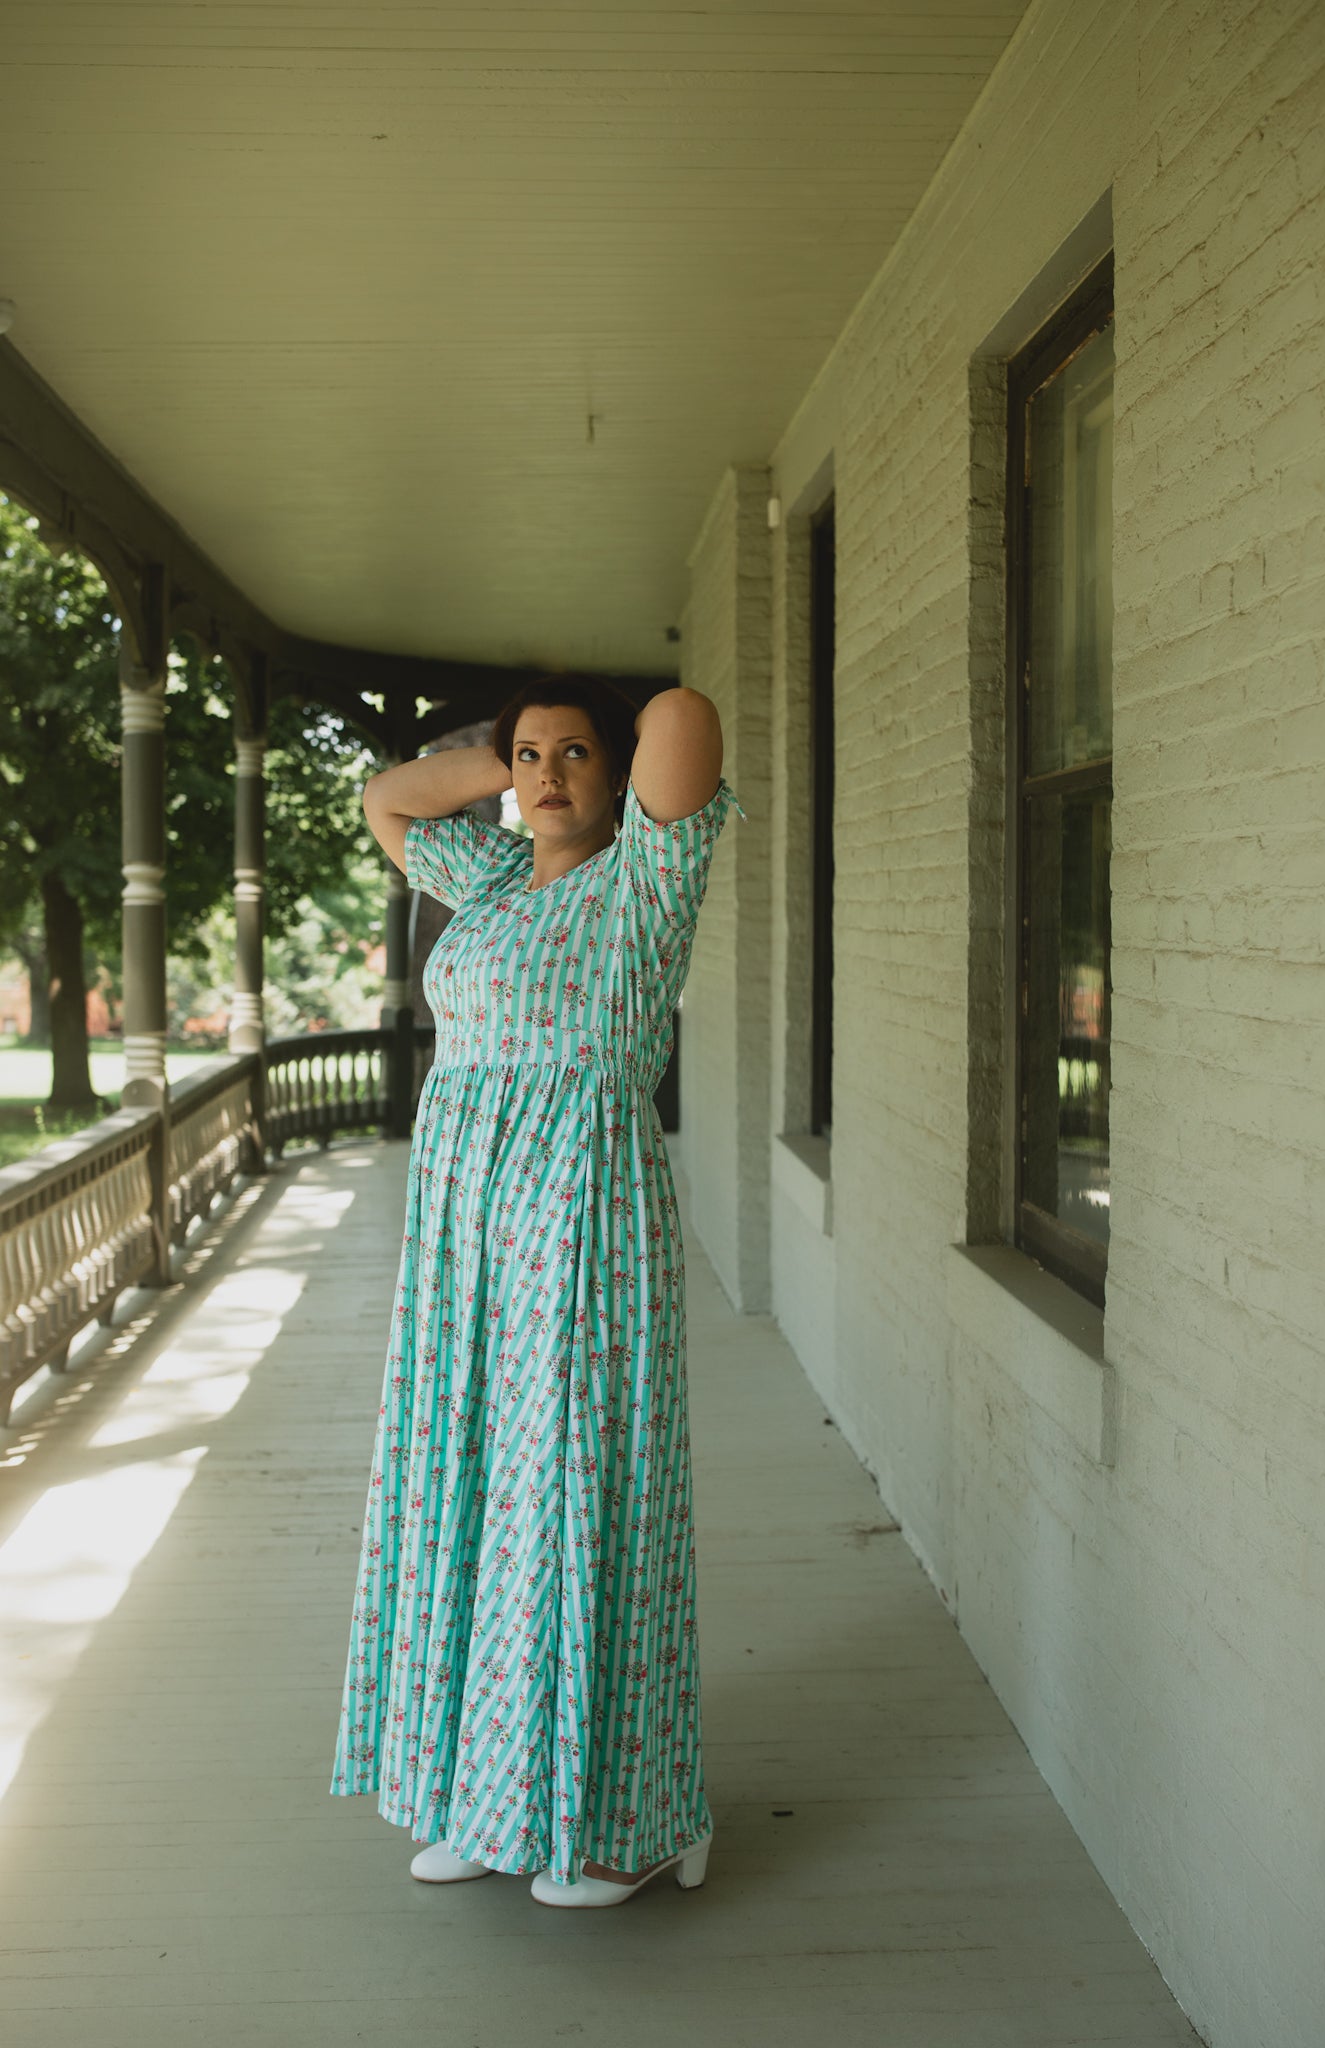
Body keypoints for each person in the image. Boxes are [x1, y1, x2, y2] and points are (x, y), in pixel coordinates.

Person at [329, 672, 744, 1909]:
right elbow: (386, 798)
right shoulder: (492, 879)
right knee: (467, 1488)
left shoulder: (646, 882)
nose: (547, 771)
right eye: (529, 754)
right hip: (464, 1234)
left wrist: (595, 731)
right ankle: (483, 1790)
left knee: (574, 1498)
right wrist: (502, 766)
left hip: (580, 1214)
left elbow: (681, 718)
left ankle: (635, 1818)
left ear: (618, 776)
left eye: (575, 754)